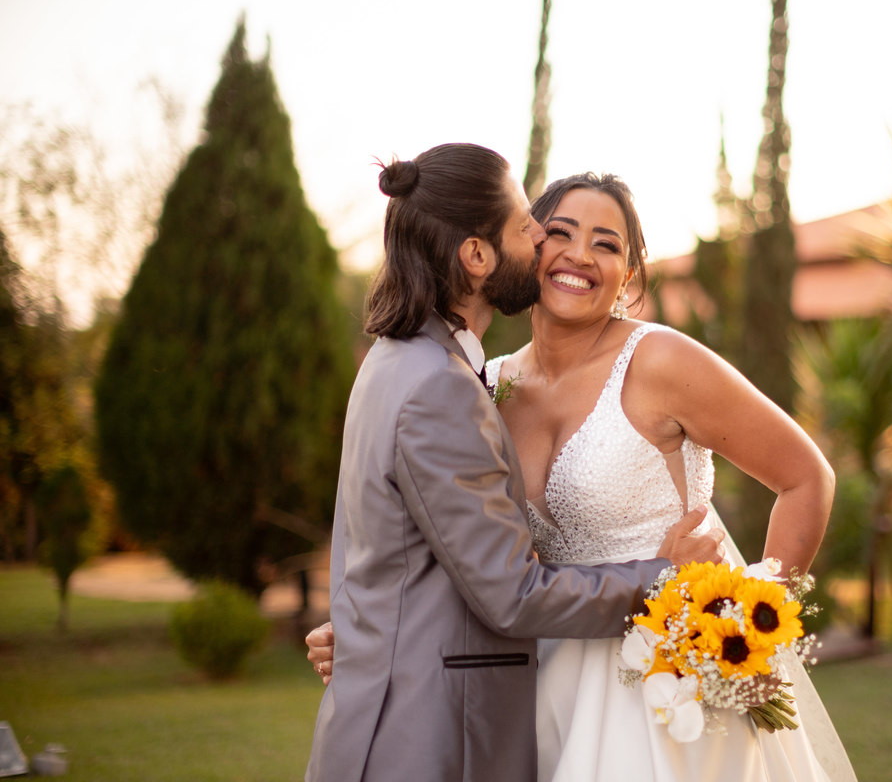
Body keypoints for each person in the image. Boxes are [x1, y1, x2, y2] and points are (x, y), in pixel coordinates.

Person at [310, 170, 857, 781]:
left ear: (630, 274)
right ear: (528, 246)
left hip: (668, 686)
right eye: (560, 233)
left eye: (607, 243)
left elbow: (807, 477)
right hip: (538, 682)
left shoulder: (663, 361)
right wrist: (378, 629)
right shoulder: (486, 386)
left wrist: (752, 629)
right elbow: (471, 550)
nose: (580, 255)